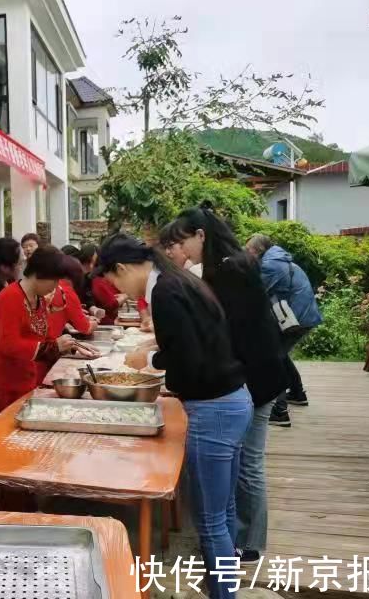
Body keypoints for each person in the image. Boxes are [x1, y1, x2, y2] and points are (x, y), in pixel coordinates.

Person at [98, 234, 250, 599]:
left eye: (115, 281)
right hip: (234, 400)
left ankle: (223, 594)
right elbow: (192, 340)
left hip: (213, 409)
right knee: (224, 510)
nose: (118, 288)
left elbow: (187, 357)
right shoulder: (178, 280)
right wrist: (157, 347)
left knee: (210, 523)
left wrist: (147, 361)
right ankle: (225, 589)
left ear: (122, 269)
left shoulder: (163, 291)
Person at [164, 207, 287, 564]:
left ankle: (249, 544)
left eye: (184, 240)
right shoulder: (228, 264)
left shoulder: (229, 270)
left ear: (201, 235)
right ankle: (235, 538)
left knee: (249, 462)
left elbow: (225, 332)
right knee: (242, 461)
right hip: (252, 374)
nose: (183, 250)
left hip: (257, 378)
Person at [0, 246, 93, 417]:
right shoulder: (11, 297)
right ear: (40, 275)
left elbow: (45, 335)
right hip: (4, 384)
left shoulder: (39, 299)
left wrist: (69, 345)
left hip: (24, 379)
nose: (55, 287)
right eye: (54, 281)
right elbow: (9, 344)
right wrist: (53, 347)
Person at [246, 234, 322, 423]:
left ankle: (279, 412)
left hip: (295, 319)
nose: (246, 254)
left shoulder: (271, 265)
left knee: (274, 359)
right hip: (301, 316)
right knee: (281, 355)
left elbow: (258, 293)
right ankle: (297, 393)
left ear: (257, 251)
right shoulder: (278, 259)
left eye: (248, 250)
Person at [36, 255, 99, 381]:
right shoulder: (65, 291)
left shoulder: (46, 290)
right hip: (43, 357)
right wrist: (94, 322)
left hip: (40, 351)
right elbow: (85, 328)